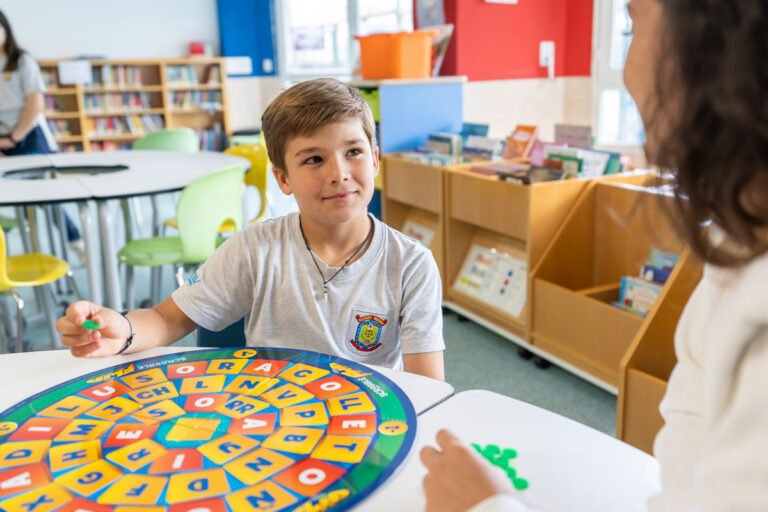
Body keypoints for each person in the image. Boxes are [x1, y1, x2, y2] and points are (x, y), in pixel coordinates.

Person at [420, 0, 768, 509]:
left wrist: (487, 504)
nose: (627, 73)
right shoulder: (736, 251)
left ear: (714, 46)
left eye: (631, 27)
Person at [56, 78, 446, 380]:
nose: (339, 174)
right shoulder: (253, 249)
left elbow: (426, 387)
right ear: (283, 178)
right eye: (313, 159)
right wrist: (121, 329)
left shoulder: (411, 264)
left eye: (354, 152)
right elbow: (168, 319)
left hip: (368, 427)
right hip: (270, 425)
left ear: (375, 159)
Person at [0, 9, 85, 262]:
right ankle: (27, 253)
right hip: (2, 138)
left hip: (28, 136)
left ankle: (75, 240)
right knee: (17, 202)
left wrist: (13, 139)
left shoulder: (22, 61)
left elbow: (35, 105)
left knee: (44, 197)